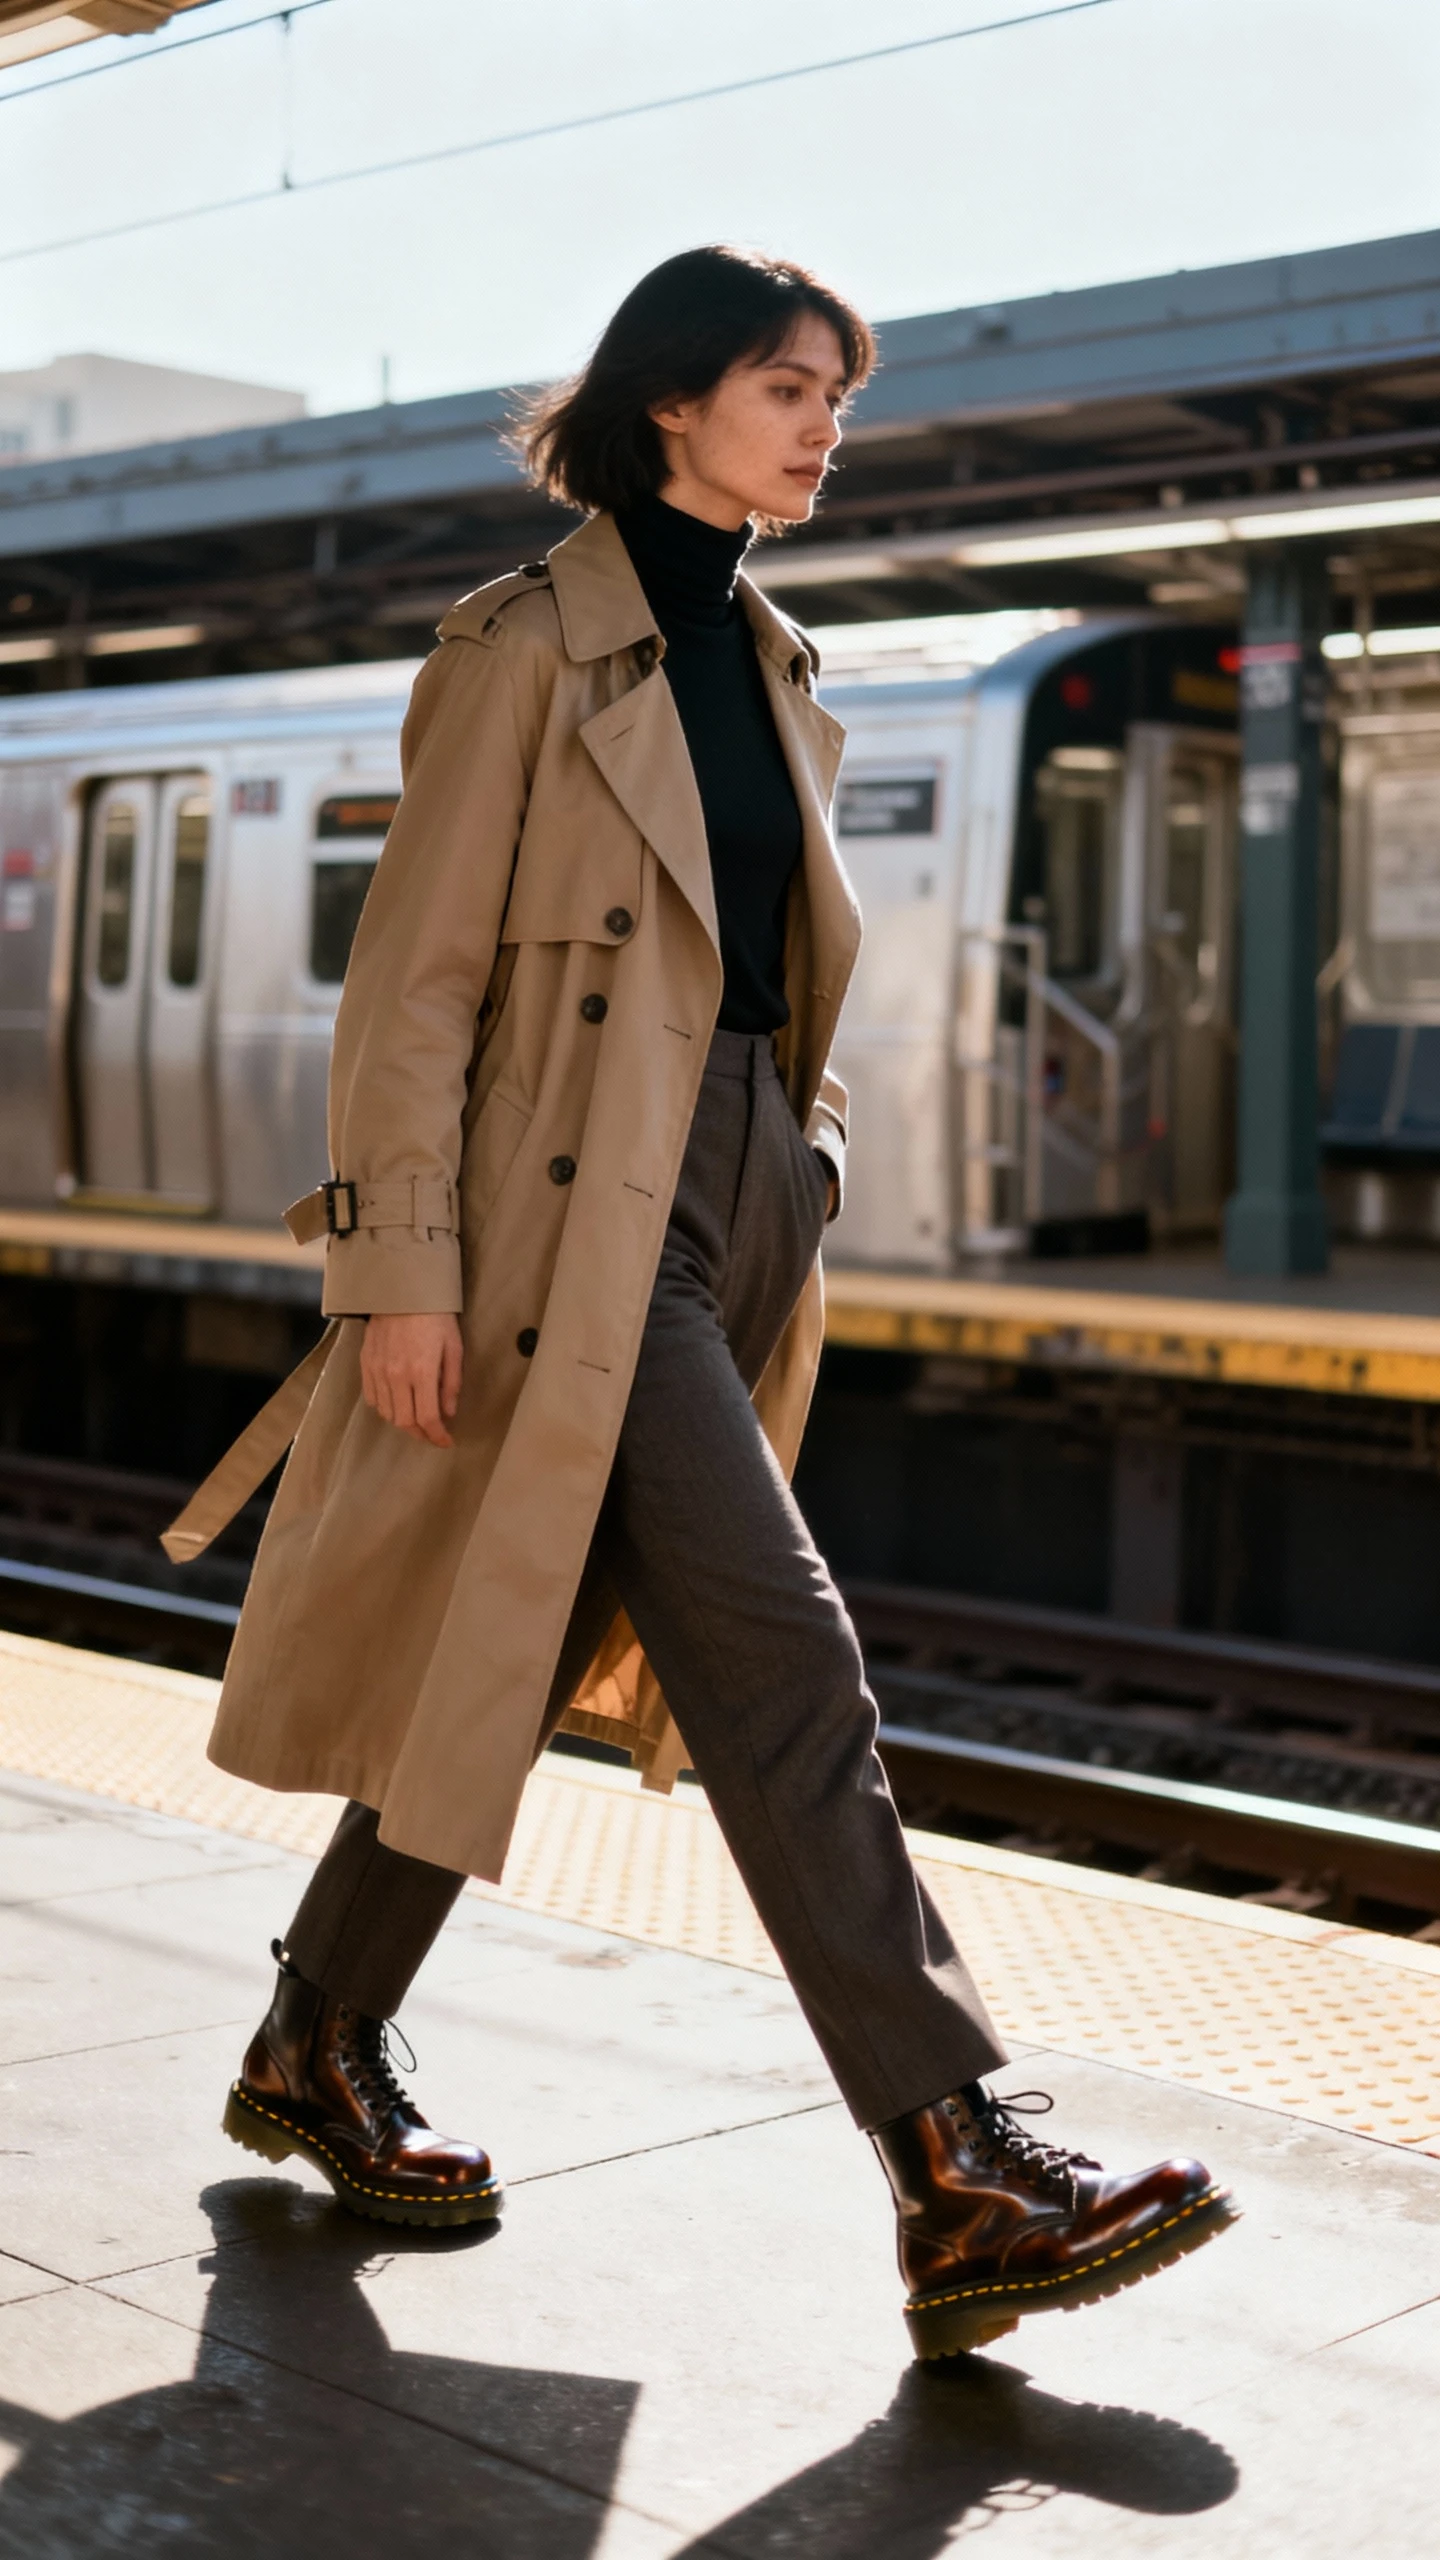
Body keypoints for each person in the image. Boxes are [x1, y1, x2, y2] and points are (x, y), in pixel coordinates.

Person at [165, 246, 1234, 2360]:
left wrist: (808, 1158)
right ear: (672, 401)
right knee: (780, 1662)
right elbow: (418, 988)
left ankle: (313, 2044)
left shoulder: (777, 658)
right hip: (575, 1210)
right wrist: (402, 1263)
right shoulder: (520, 650)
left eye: (840, 391)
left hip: (734, 1192)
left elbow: (766, 975)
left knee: (529, 1621)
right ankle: (955, 2159)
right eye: (786, 386)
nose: (826, 422)